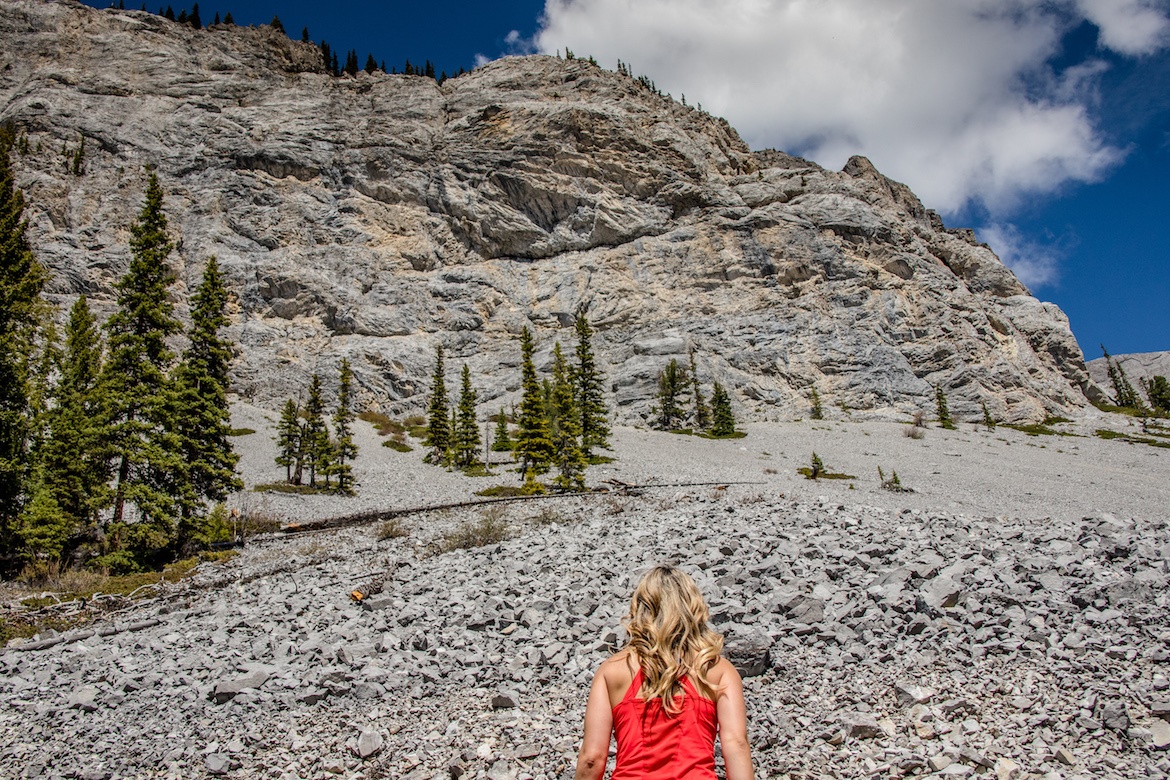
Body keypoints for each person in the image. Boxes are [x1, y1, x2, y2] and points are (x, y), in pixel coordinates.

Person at [573, 565, 754, 780]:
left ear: (641, 609)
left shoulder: (612, 671)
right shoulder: (717, 670)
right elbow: (737, 744)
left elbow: (592, 757)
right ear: (693, 608)